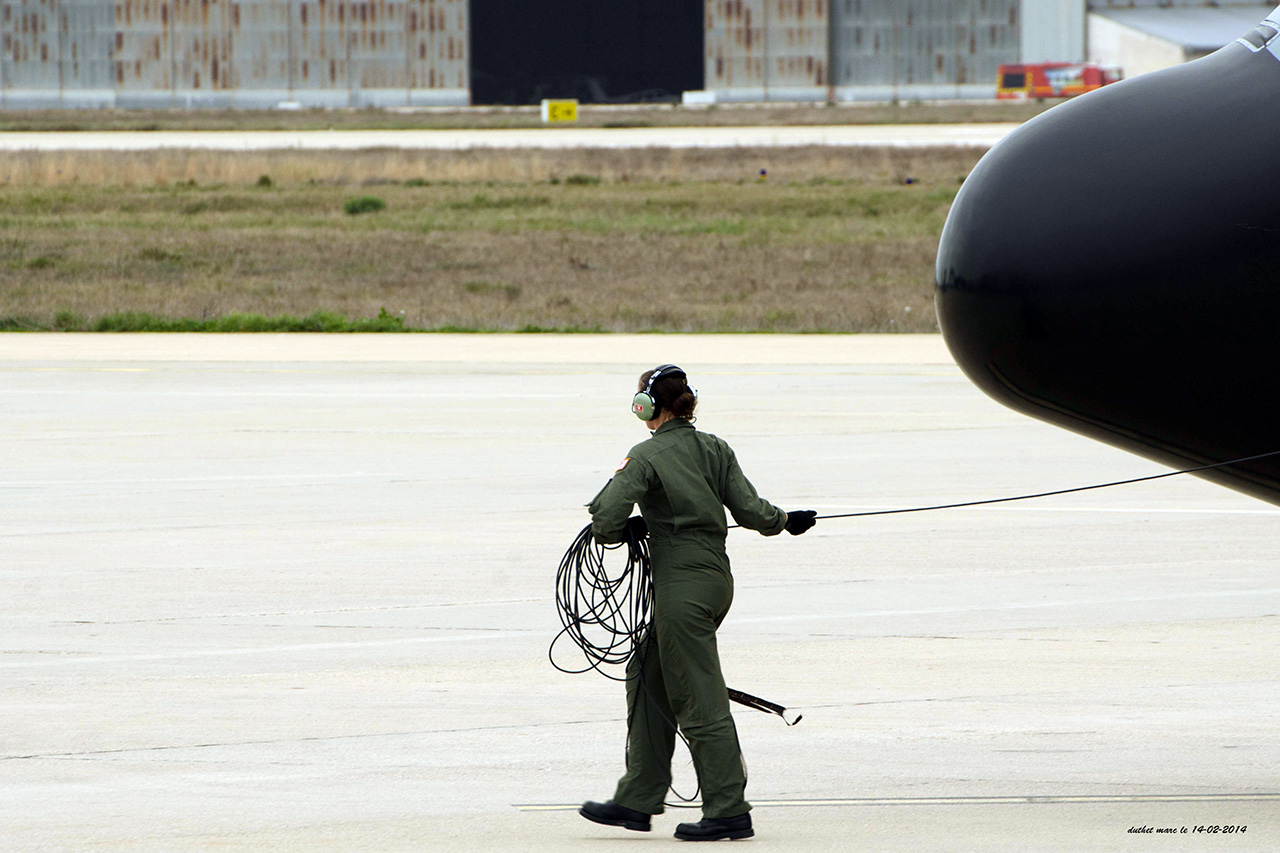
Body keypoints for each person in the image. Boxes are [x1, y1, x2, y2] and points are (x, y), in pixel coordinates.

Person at [578, 364, 817, 842]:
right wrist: (786, 520)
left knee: (697, 694)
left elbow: (606, 514)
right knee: (647, 669)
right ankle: (639, 796)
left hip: (682, 587)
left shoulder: (645, 456)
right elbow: (752, 511)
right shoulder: (715, 447)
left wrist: (619, 530)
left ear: (647, 406)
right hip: (712, 579)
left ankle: (728, 808)